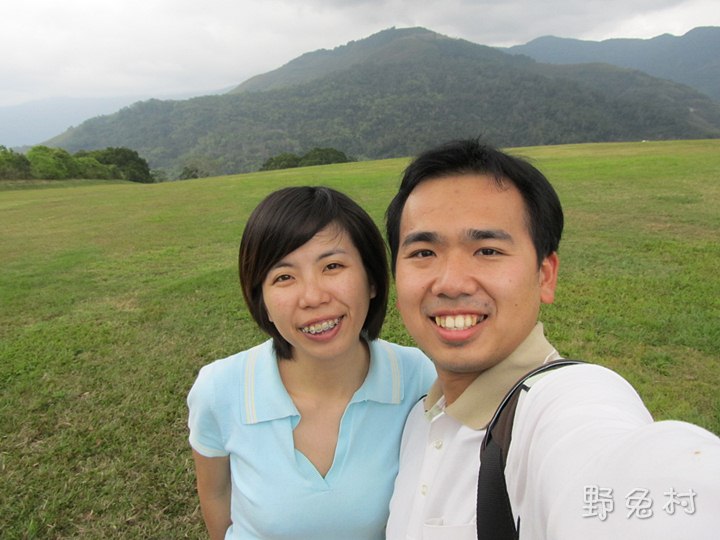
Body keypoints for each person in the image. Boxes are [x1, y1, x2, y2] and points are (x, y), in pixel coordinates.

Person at [384, 139, 720, 539]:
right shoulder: (420, 420)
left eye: (487, 251)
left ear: (545, 275)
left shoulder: (566, 403)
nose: (451, 283)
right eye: (423, 253)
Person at [187, 186, 436, 540]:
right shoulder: (219, 389)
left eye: (332, 266)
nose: (313, 297)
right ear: (262, 301)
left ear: (372, 280)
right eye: (284, 277)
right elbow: (215, 493)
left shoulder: (418, 377)